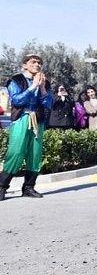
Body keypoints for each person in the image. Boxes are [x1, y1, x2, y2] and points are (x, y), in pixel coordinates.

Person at [0, 54, 53, 201]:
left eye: (39, 63)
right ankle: (2, 186)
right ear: (25, 65)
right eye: (33, 62)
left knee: (35, 154)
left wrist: (42, 88)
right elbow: (17, 100)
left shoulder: (45, 83)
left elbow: (49, 104)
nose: (37, 65)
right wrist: (33, 86)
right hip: (21, 118)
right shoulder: (16, 80)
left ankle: (29, 187)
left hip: (38, 120)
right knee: (16, 152)